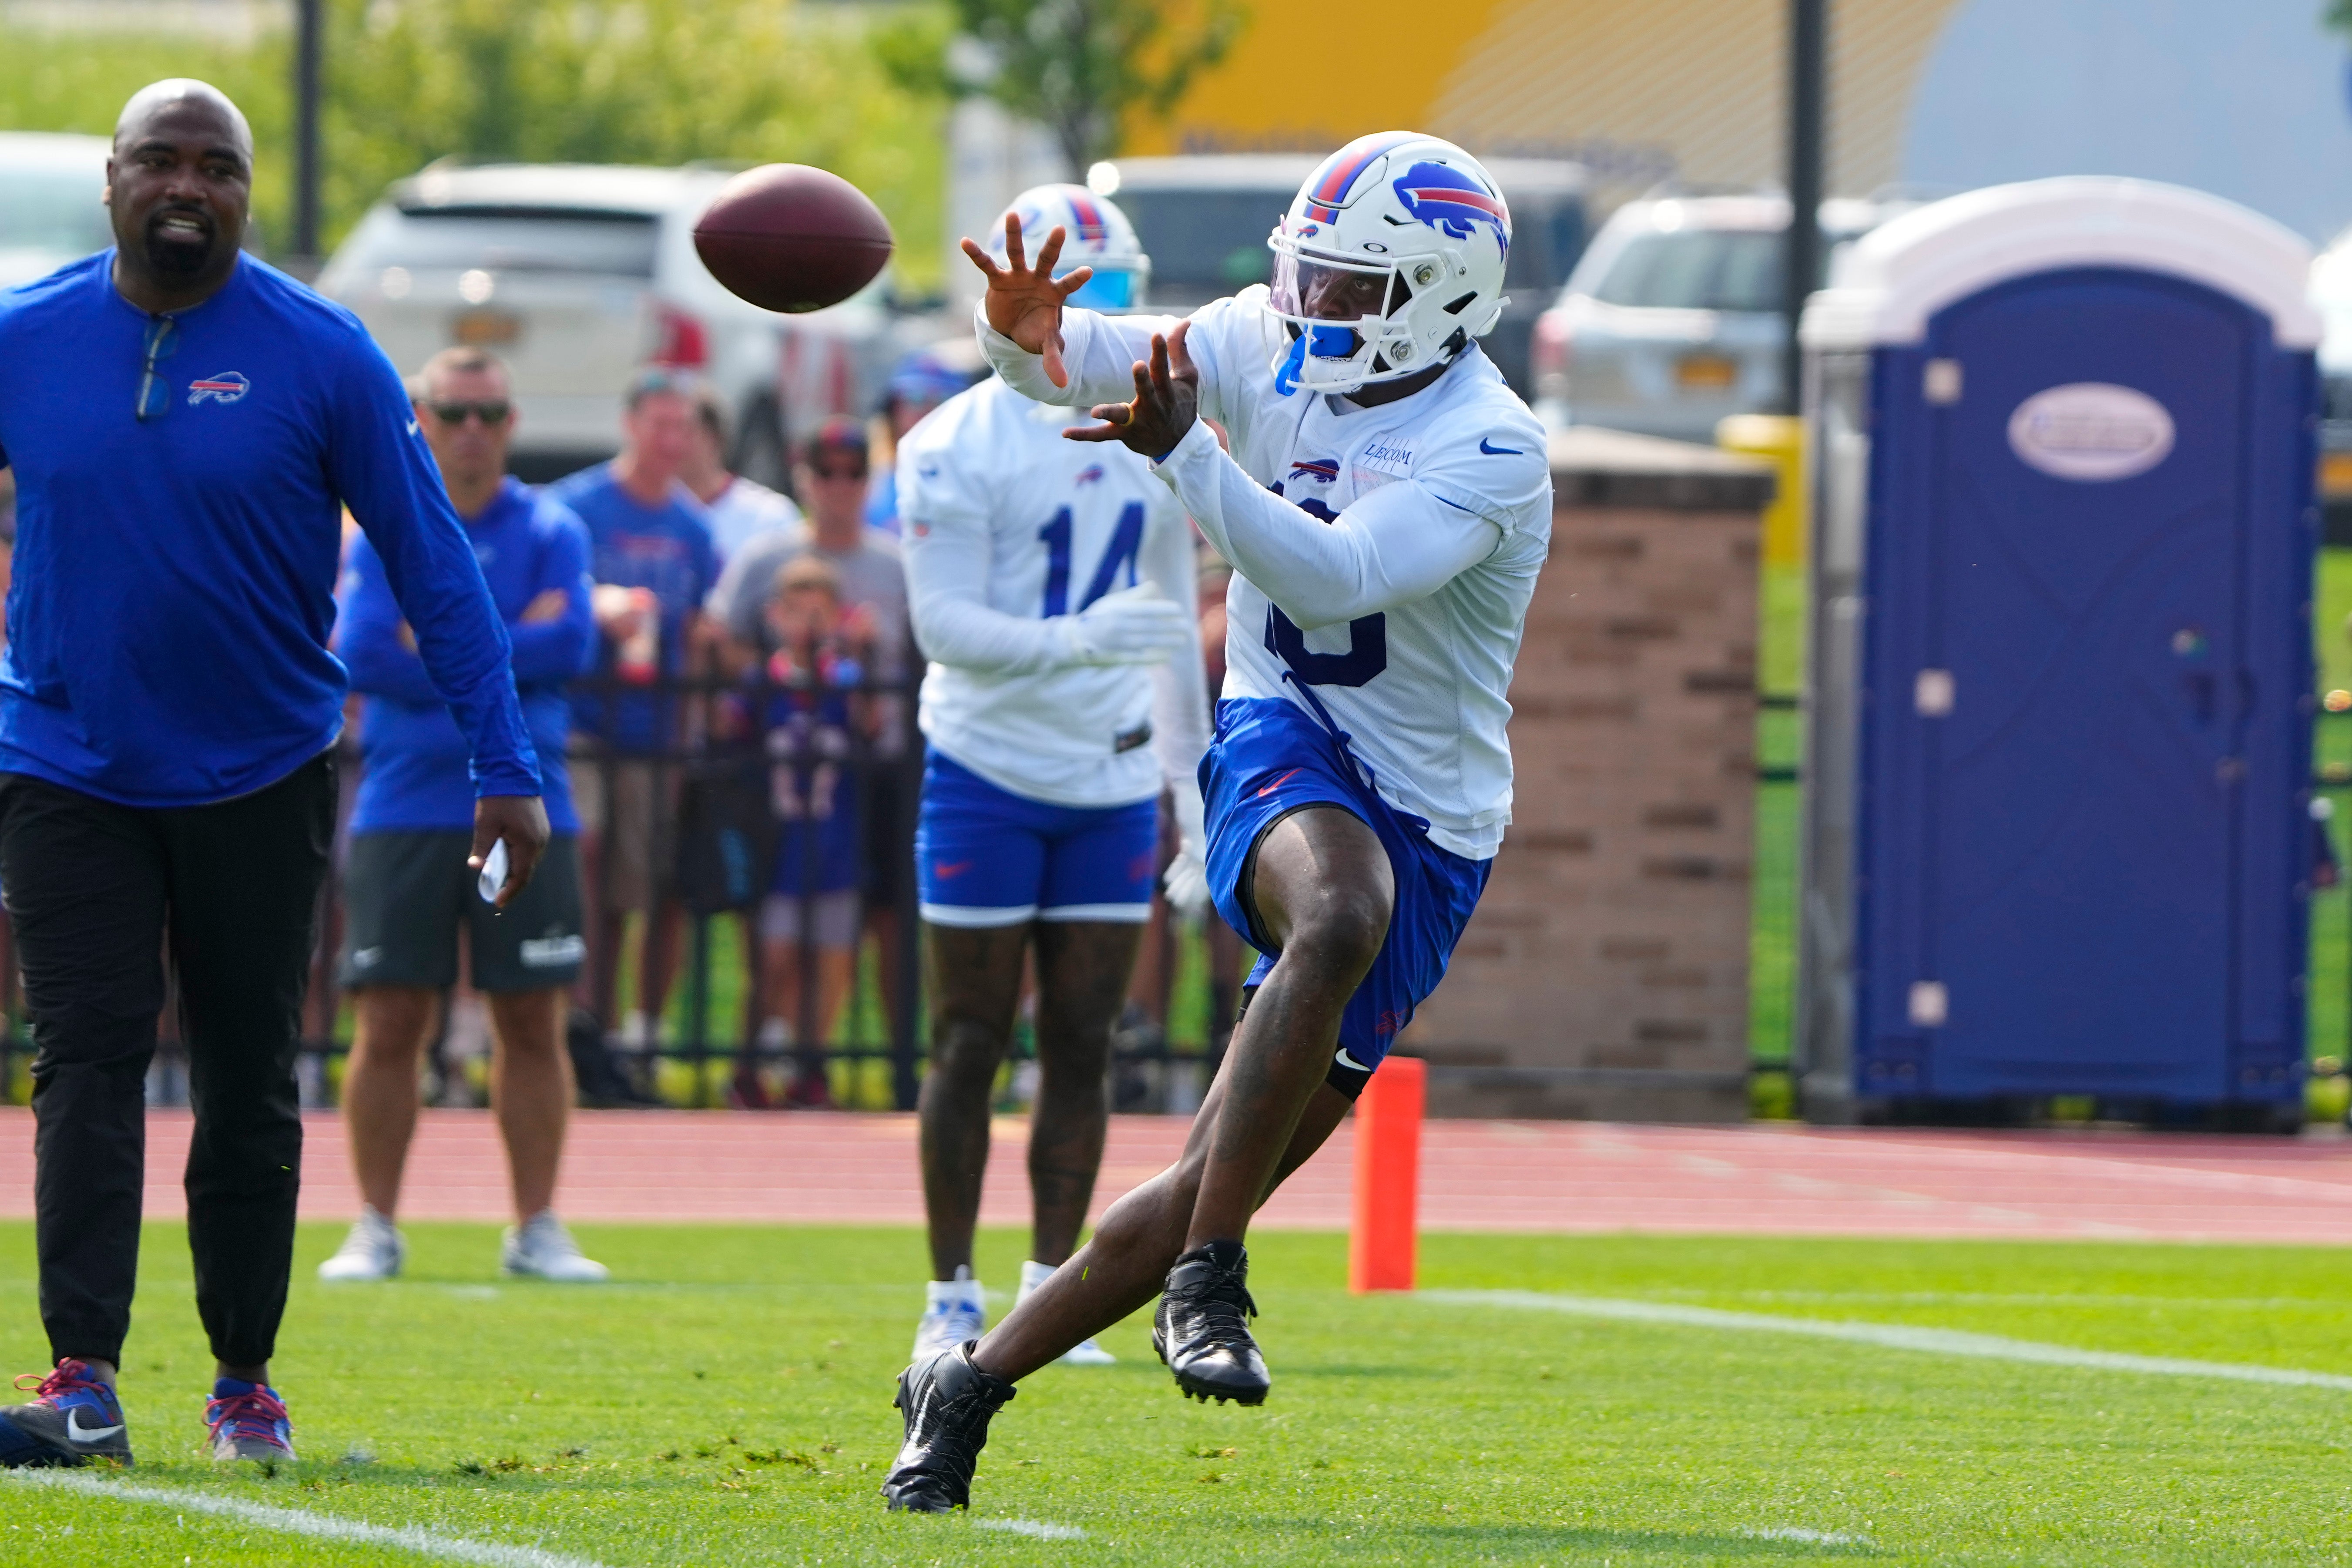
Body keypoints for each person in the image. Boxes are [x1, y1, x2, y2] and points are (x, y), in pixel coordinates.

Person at [882, 133, 1550, 1511]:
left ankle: (965, 1385)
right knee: (1336, 910)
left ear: (1436, 296)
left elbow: (1335, 571)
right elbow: (1103, 357)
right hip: (1282, 737)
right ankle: (1213, 1277)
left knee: (1202, 1172)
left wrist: (1188, 460)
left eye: (1347, 285)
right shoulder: (1266, 334)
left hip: (1431, 817)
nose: (1307, 305)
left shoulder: (1488, 445)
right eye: (1301, 271)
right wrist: (1024, 342)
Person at [0, 80, 547, 1469]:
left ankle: (244, 1379)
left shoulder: (324, 352)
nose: (189, 186)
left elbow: (432, 559)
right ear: (115, 178)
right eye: (162, 162)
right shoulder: (26, 338)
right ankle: (84, 1376)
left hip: (259, 769)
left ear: (245, 191)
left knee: (248, 1073)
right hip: (68, 760)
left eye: (218, 167)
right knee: (87, 1058)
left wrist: (507, 760)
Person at [892, 185, 1212, 1381]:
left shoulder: (1146, 430)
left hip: (1108, 777)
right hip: (984, 766)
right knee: (968, 1039)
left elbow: (1173, 623)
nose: (1103, 328)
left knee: (1085, 1040)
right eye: (1094, 298)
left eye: (1119, 299)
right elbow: (946, 628)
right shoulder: (949, 444)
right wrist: (1082, 644)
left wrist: (1189, 794)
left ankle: (1046, 1286)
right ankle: (947, 1290)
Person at [319, 346, 607, 1284]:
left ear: (510, 424)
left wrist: (443, 638)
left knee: (531, 1016)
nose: (472, 430)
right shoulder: (382, 531)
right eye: (454, 412)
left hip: (526, 798)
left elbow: (573, 641)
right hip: (405, 802)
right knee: (391, 1015)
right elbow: (364, 651)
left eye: (489, 413)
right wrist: (498, 641)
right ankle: (373, 1222)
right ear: (425, 422)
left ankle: (536, 1223)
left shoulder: (553, 525)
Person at [709, 417, 915, 1080]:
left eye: (853, 471)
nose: (839, 485)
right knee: (770, 932)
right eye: (825, 471)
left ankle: (861, 1058)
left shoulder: (895, 562)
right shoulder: (768, 557)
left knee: (870, 923)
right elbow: (722, 635)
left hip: (876, 770)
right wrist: (786, 665)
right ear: (804, 479)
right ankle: (763, 1049)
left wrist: (854, 663)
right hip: (779, 777)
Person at [549, 369, 720, 1065]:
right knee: (581, 855)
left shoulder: (693, 527)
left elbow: (699, 628)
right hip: (583, 714)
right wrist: (601, 603)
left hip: (652, 729)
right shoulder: (576, 507)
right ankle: (573, 1011)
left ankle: (613, 1029)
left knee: (632, 884)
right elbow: (546, 588)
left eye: (684, 426)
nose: (672, 440)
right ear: (631, 426)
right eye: (660, 424)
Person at [864, 347, 981, 536]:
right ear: (894, 410)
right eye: (916, 397)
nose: (929, 409)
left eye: (944, 400)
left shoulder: (982, 483)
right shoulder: (858, 482)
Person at [682, 381, 800, 561]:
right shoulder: (644, 512)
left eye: (683, 430)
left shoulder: (771, 517)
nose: (670, 443)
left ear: (715, 437)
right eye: (661, 428)